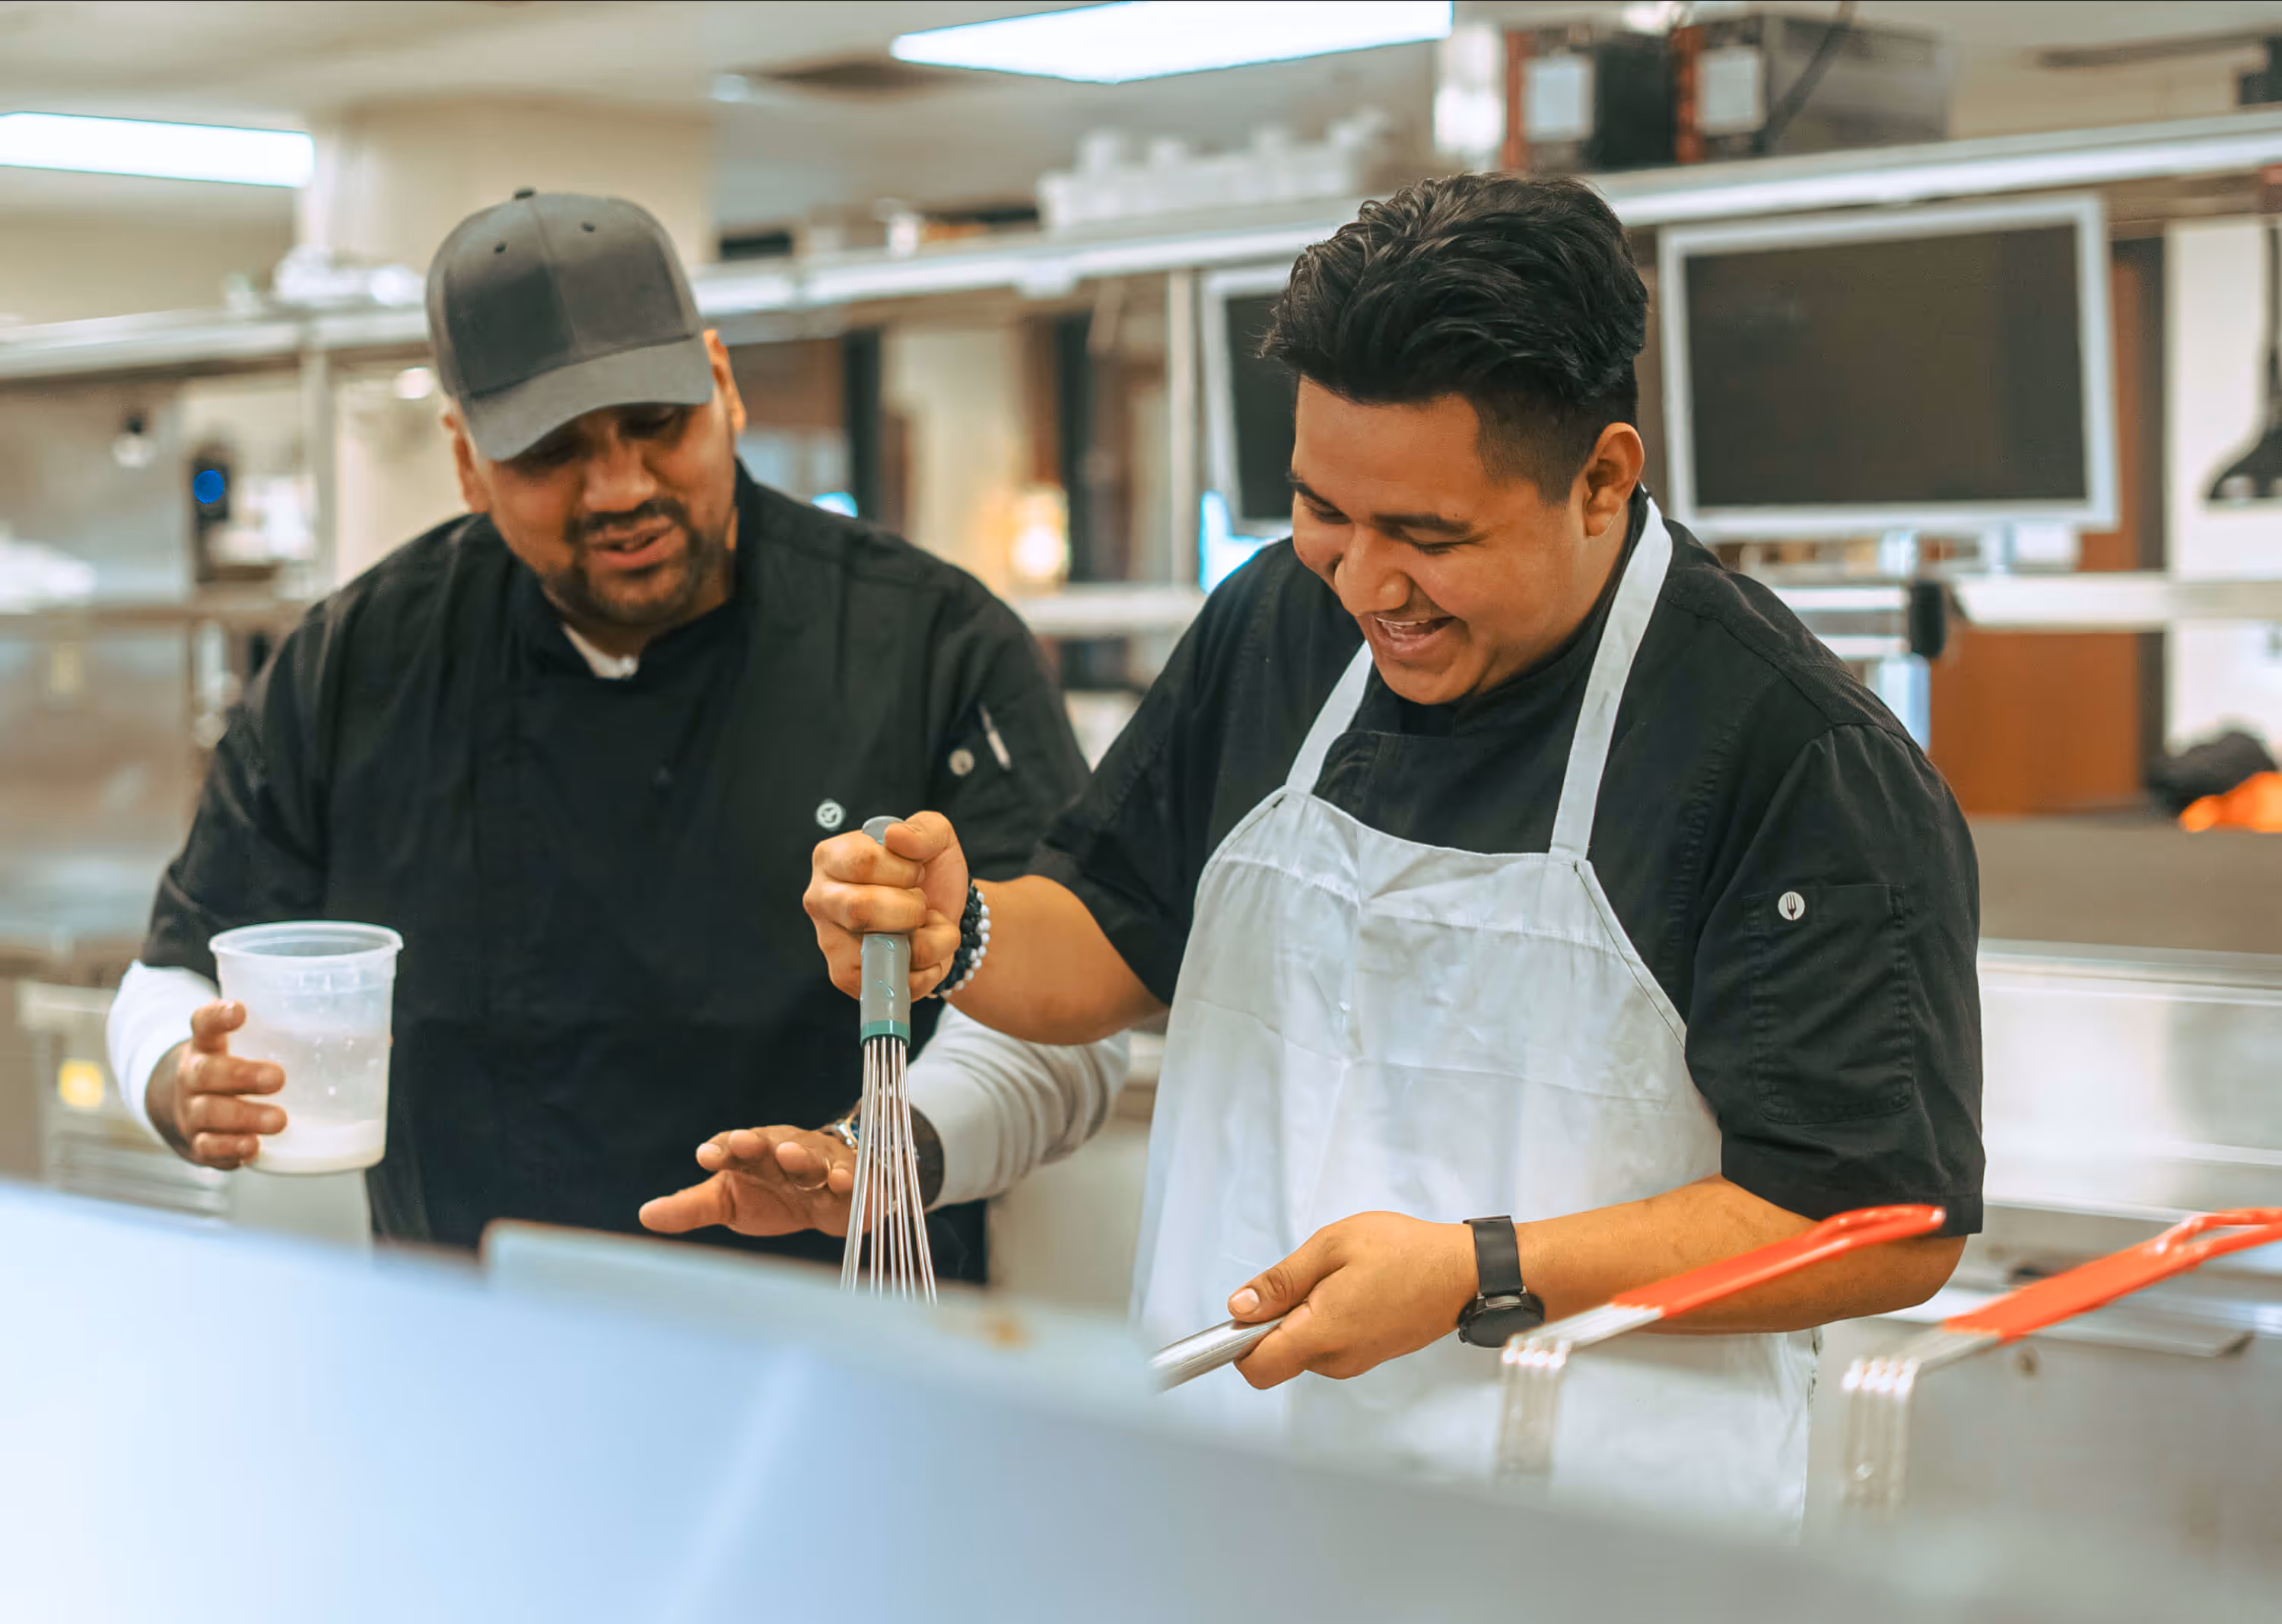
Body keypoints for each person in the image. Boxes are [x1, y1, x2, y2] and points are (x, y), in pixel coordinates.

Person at [711, 173, 1985, 1528]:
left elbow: (1878, 1225)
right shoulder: (1280, 622)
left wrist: (1480, 1269)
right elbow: (1115, 934)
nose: (1366, 583)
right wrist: (955, 927)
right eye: (1324, 509)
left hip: (1594, 1551)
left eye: (1430, 536)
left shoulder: (1792, 754)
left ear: (1602, 478)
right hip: (1234, 1502)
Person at [106, 190, 1123, 1277]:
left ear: (721, 385)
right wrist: (182, 1075)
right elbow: (170, 976)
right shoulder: (360, 660)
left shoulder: (928, 643)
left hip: (837, 1353)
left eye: (658, 422)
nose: (622, 487)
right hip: (474, 1351)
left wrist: (885, 1151)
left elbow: (1068, 1025)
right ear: (466, 461)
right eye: (553, 452)